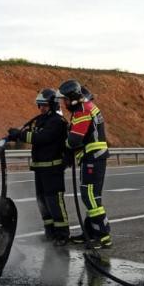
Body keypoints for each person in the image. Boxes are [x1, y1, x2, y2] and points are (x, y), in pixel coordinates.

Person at [7, 89, 70, 244]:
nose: (41, 108)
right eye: (40, 105)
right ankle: (50, 233)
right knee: (42, 202)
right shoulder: (41, 120)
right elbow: (32, 133)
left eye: (44, 105)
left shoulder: (57, 122)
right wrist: (15, 135)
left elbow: (42, 138)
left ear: (52, 105)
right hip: (40, 168)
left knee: (54, 202)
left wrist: (20, 135)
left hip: (53, 169)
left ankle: (62, 234)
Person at [59, 79, 112, 249]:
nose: (64, 103)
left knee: (89, 196)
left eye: (66, 99)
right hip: (94, 157)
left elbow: (74, 140)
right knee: (92, 197)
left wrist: (65, 147)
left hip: (92, 158)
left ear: (73, 98)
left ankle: (103, 236)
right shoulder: (87, 107)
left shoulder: (82, 111)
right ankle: (90, 232)